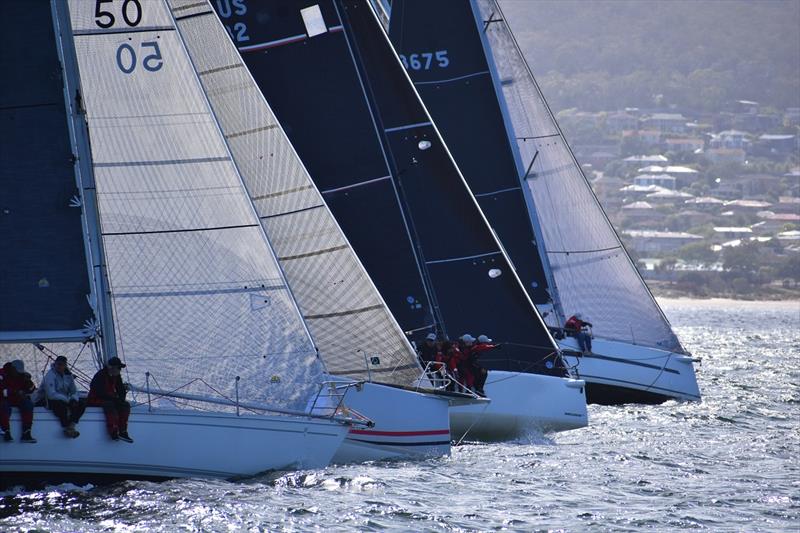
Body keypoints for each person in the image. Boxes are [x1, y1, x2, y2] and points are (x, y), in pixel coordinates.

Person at [88, 357, 133, 443]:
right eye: (118, 368)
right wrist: (114, 399)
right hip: (95, 399)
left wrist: (121, 400)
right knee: (110, 405)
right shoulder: (100, 375)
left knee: (125, 405)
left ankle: (123, 431)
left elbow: (121, 390)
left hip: (109, 399)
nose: (119, 370)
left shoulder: (116, 376)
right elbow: (99, 392)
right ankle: (113, 431)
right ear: (111, 367)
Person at [43, 356, 86, 438]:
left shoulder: (68, 375)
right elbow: (51, 394)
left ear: (65, 365)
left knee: (81, 404)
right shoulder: (50, 375)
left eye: (61, 365)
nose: (59, 366)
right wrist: (66, 399)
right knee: (60, 406)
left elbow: (74, 391)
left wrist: (73, 399)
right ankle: (66, 426)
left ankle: (71, 426)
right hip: (50, 400)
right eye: (57, 364)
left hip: (65, 399)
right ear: (55, 364)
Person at [0, 360, 37, 443]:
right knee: (4, 406)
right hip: (4, 398)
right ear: (12, 369)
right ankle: (6, 431)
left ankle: (26, 433)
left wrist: (28, 382)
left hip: (16, 398)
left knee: (28, 404)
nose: (18, 373)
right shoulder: (2, 374)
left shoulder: (21, 375)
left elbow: (32, 389)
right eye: (17, 371)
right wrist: (14, 392)